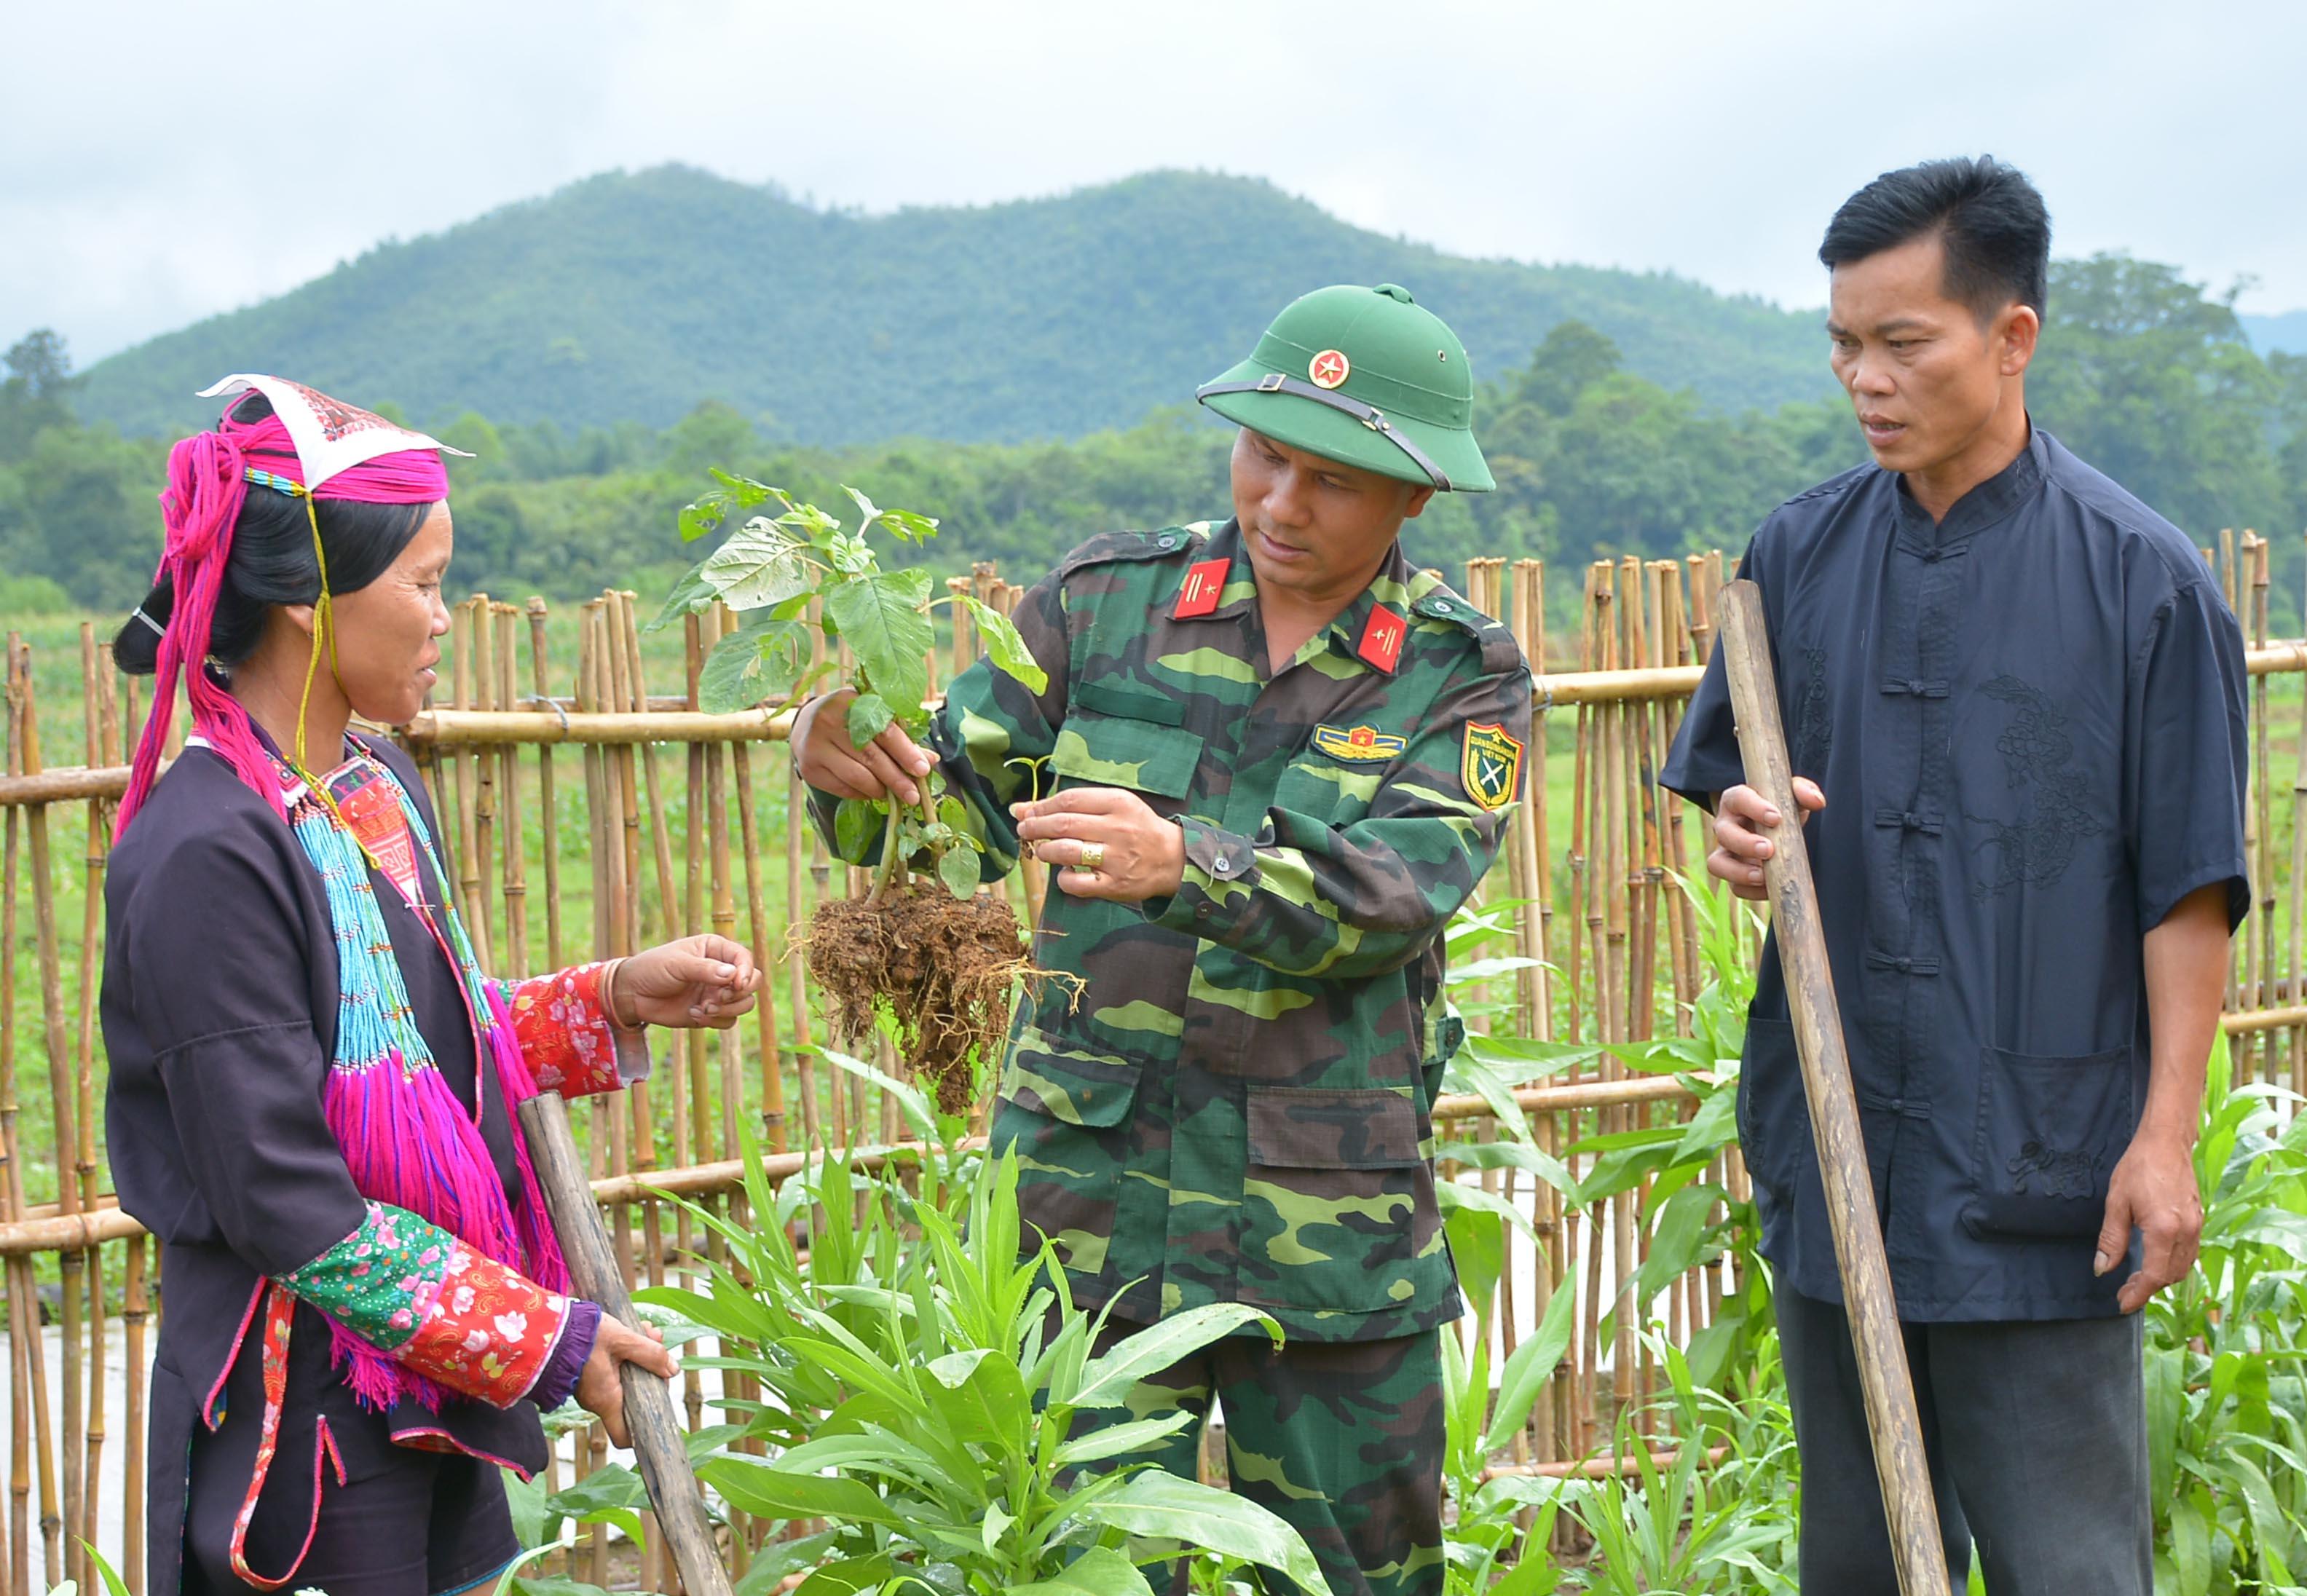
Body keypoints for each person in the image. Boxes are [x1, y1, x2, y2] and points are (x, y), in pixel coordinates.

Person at [793, 285, 1531, 1596]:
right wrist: (848, 760)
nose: (1282, 503)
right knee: (1087, 1567)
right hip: (1089, 1214)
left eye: (1334, 480)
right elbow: (950, 818)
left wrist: (1186, 862)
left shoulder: (1458, 671)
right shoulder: (1102, 605)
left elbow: (1396, 891)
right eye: (1265, 455)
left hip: (1325, 1230)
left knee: (1357, 1577)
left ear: (1416, 496)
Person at [1663, 157, 2247, 1593]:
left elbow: (2188, 890)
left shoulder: (2142, 581)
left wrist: (2164, 1140)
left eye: (1902, 342)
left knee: (2070, 1568)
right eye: (1843, 346)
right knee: (1857, 1561)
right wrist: (1745, 837)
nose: (1865, 379)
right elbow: (1742, 803)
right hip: (1841, 1142)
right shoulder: (1796, 554)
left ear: (2012, 334)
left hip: (2043, 1172)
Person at [102, 375, 765, 1596]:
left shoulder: (374, 785)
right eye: (425, 582)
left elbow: (411, 1043)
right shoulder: (206, 853)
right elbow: (287, 1198)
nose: (446, 618)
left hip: (425, 1406)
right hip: (302, 1430)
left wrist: (613, 996)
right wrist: (543, 1338)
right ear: (307, 596)